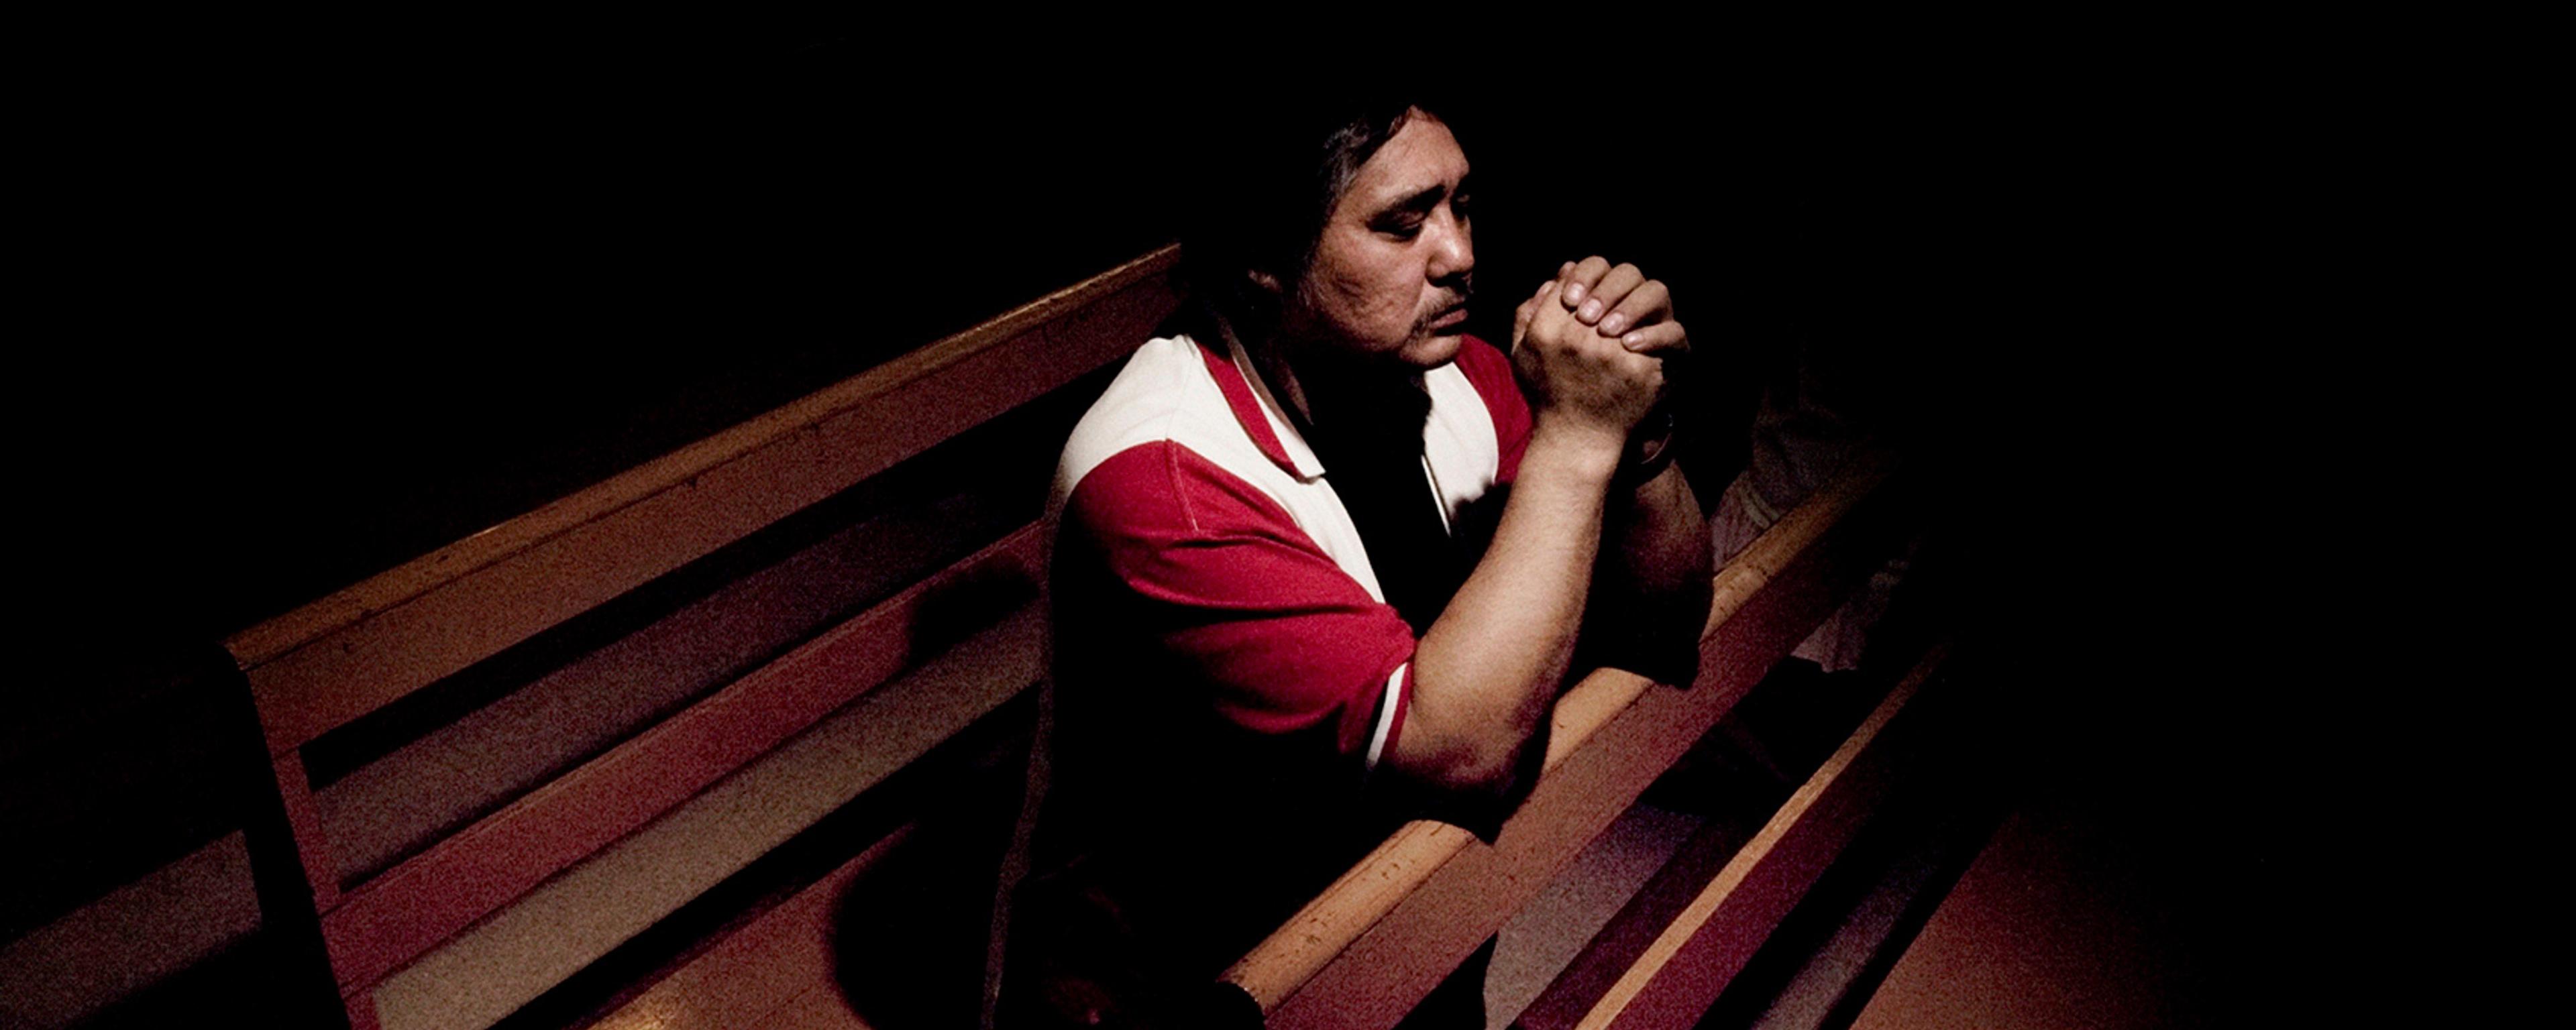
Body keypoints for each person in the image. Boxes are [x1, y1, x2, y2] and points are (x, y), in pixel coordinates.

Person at [986, 97, 1711, 1029]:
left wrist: (1640, 438)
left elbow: (1663, 625)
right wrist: (1578, 439)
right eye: (1403, 223)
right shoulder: (1165, 479)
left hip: (1384, 913)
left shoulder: (1460, 380)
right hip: (1180, 982)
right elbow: (1464, 753)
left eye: (1460, 206)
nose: (1459, 255)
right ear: (1263, 257)